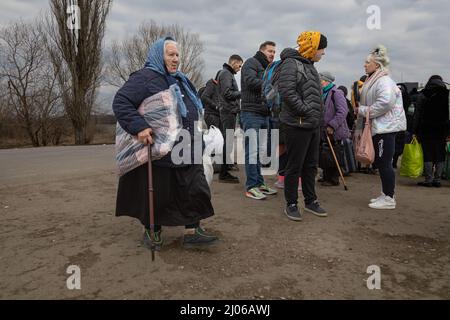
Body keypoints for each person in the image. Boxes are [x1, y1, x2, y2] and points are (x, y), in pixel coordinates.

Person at [112, 37, 218, 250]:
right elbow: (121, 101)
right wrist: (139, 127)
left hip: (187, 146)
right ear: (158, 55)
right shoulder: (145, 77)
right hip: (161, 150)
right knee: (160, 192)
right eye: (170, 54)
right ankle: (152, 231)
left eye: (177, 55)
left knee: (195, 188)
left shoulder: (180, 79)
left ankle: (192, 231)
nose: (175, 59)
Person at [277, 31, 328, 221]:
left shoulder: (310, 66)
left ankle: (311, 201)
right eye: (321, 49)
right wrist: (306, 110)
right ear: (312, 47)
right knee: (294, 166)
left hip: (312, 124)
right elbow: (287, 92)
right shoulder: (292, 63)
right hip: (297, 124)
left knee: (311, 165)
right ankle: (291, 203)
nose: (323, 53)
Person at [356, 45, 406, 210]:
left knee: (384, 162)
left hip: (386, 128)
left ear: (376, 65)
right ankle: (386, 194)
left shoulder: (383, 81)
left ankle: (389, 197)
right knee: (382, 162)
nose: (364, 65)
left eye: (367, 62)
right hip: (381, 127)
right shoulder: (377, 79)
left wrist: (363, 111)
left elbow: (385, 103)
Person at [240, 41, 278, 200]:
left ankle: (260, 183)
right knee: (252, 151)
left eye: (274, 52)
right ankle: (251, 186)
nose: (272, 54)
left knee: (261, 152)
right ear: (262, 51)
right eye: (270, 51)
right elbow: (250, 81)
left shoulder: (268, 68)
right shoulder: (251, 63)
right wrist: (270, 85)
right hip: (251, 113)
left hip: (264, 113)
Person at [413, 75, 449, 188]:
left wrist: (415, 129)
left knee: (428, 154)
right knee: (440, 154)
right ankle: (437, 180)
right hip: (442, 129)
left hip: (426, 129)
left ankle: (428, 179)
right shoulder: (447, 94)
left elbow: (417, 113)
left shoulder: (423, 94)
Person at [319, 71, 350, 186]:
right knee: (325, 153)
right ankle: (326, 176)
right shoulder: (323, 93)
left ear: (326, 81)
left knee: (333, 153)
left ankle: (333, 179)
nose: (319, 82)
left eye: (320, 80)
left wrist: (332, 125)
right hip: (324, 129)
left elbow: (343, 111)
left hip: (334, 130)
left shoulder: (336, 93)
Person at [217, 55, 243, 183]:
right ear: (233, 62)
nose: (240, 68)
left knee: (228, 141)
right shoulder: (226, 74)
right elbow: (227, 93)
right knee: (227, 142)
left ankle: (225, 169)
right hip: (228, 112)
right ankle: (223, 173)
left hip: (229, 111)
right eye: (239, 65)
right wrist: (243, 93)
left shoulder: (227, 73)